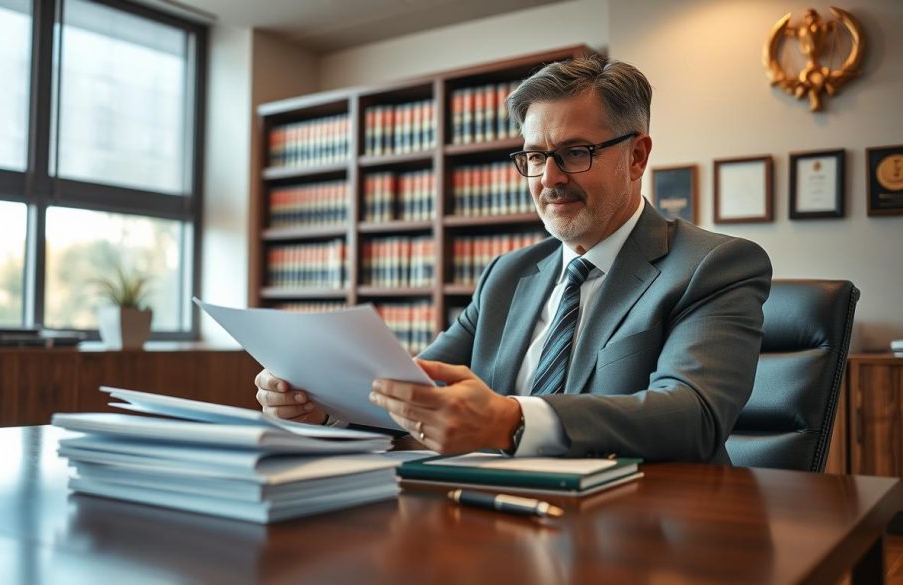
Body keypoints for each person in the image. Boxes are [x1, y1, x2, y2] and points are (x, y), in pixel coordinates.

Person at [255, 55, 772, 464]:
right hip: (497, 516)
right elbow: (418, 390)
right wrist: (329, 405)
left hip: (649, 532)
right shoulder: (509, 275)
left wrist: (510, 420)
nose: (548, 179)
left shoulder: (715, 266)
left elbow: (692, 415)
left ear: (636, 156)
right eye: (533, 157)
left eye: (574, 153)